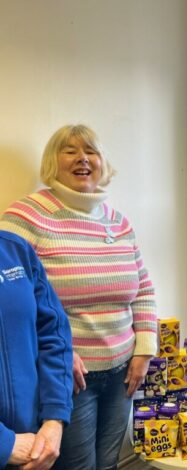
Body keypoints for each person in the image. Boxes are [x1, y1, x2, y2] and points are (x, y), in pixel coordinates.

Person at [0, 124, 158, 470]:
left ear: (103, 163)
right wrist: (59, 353)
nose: (82, 158)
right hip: (71, 377)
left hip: (122, 373)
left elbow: (143, 289)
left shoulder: (118, 223)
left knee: (108, 463)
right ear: (52, 162)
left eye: (91, 151)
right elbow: (13, 304)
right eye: (69, 150)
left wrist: (145, 350)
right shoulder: (26, 216)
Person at [0, 230, 73, 470]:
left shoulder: (15, 249)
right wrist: (5, 444)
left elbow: (53, 334)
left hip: (36, 447)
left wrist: (54, 420)